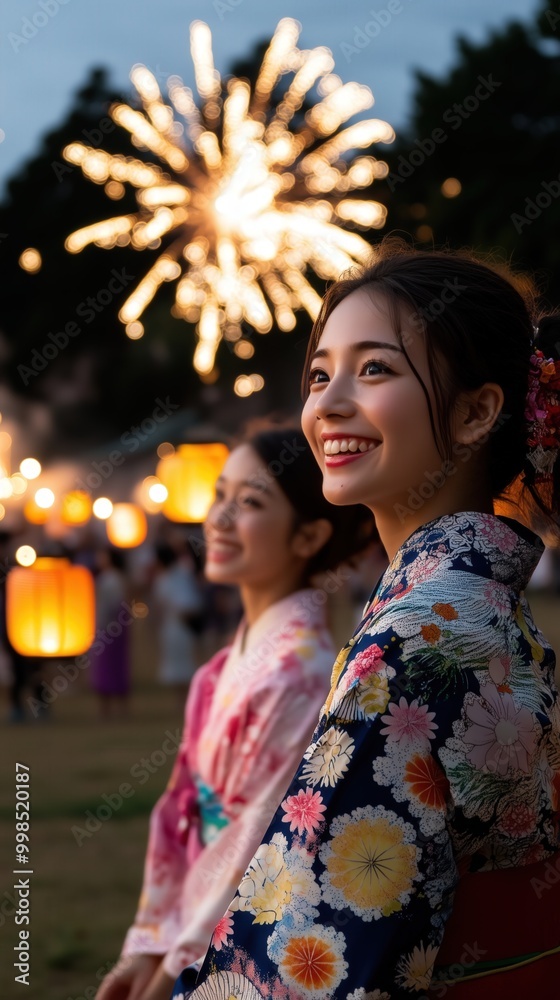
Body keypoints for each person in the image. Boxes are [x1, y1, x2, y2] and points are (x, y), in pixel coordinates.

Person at [176, 240, 560, 998]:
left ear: (478, 411)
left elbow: (312, 961)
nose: (328, 404)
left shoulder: (419, 640)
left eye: (375, 368)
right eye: (320, 374)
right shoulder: (477, 608)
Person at [96, 428, 374, 1000]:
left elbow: (252, 837)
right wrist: (145, 945)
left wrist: (170, 962)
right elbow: (177, 812)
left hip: (235, 941)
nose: (219, 517)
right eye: (220, 495)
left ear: (309, 535)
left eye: (249, 502)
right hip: (191, 930)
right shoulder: (219, 671)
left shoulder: (301, 674)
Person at [152, 541, 204, 702]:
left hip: (180, 624)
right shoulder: (167, 578)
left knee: (184, 661)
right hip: (172, 624)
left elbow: (186, 603)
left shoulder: (178, 575)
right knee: (176, 660)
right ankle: (181, 698)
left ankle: (186, 698)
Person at [90, 547, 131, 718]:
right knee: (111, 667)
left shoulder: (111, 579)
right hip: (111, 627)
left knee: (109, 667)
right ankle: (111, 709)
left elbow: (114, 604)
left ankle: (112, 709)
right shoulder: (113, 578)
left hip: (109, 628)